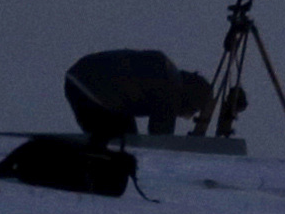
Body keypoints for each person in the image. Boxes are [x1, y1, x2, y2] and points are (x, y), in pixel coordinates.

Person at [62, 46, 217, 143]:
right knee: (125, 145)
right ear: (189, 98)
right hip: (95, 88)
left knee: (128, 140)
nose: (185, 116)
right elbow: (160, 139)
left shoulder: (167, 73)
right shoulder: (170, 88)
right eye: (192, 111)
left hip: (79, 80)